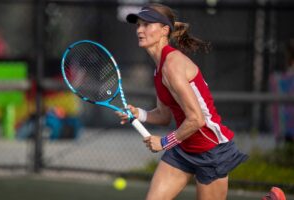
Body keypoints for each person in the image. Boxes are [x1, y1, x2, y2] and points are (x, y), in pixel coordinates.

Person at [117, 3, 286, 200]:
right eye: (138, 25)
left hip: (210, 150)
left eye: (146, 24)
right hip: (183, 148)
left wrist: (163, 142)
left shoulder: (172, 65)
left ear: (164, 30)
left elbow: (196, 119)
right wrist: (139, 113)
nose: (139, 30)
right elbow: (164, 115)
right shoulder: (159, 69)